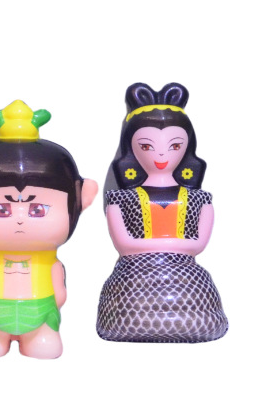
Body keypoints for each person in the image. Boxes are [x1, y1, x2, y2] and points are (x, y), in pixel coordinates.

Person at [0, 100, 98, 358]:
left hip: (40, 312)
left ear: (82, 199)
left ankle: (41, 336)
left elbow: (58, 287)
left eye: (38, 210)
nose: (20, 220)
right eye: (2, 210)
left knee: (45, 347)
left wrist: (57, 297)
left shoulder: (49, 259)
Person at [96, 82, 228, 342]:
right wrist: (174, 246)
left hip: (187, 279)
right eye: (147, 146)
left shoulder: (200, 199)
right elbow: (123, 244)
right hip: (134, 279)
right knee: (128, 313)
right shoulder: (120, 199)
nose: (161, 155)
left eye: (174, 146)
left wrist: (154, 247)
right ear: (131, 147)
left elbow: (199, 244)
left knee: (201, 316)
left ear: (187, 147)